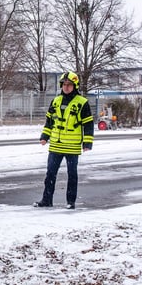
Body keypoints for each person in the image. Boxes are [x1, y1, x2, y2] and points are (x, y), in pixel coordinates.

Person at [34, 71, 94, 209]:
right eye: (64, 84)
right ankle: (46, 200)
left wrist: (87, 143)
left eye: (69, 85)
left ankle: (70, 202)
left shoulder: (82, 103)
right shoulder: (55, 101)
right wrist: (44, 136)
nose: (66, 87)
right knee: (50, 174)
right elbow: (49, 122)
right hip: (55, 145)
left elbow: (88, 125)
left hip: (72, 146)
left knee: (72, 175)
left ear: (75, 86)